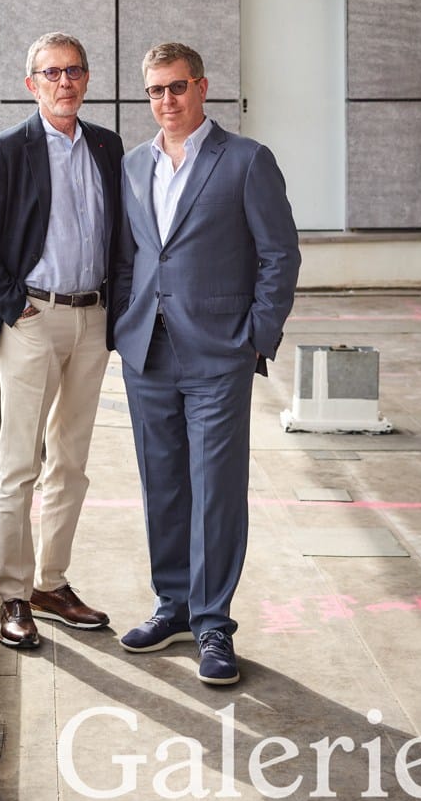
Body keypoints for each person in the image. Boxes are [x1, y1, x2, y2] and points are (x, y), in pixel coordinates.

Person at [113, 42, 300, 685]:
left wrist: (257, 337)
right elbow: (128, 257)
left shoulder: (245, 160)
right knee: (162, 484)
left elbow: (280, 254)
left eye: (177, 86)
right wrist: (123, 325)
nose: (166, 100)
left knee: (215, 489)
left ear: (202, 86)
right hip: (147, 350)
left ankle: (213, 622)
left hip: (220, 352)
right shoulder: (133, 164)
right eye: (155, 90)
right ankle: (172, 606)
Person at [0, 31, 124, 650]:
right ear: (32, 84)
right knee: (20, 464)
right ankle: (13, 595)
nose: (64, 82)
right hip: (33, 319)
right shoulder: (7, 152)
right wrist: (17, 307)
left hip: (92, 318)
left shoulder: (107, 146)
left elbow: (120, 236)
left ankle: (52, 585)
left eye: (73, 70)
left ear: (87, 79)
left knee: (71, 461)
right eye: (51, 73)